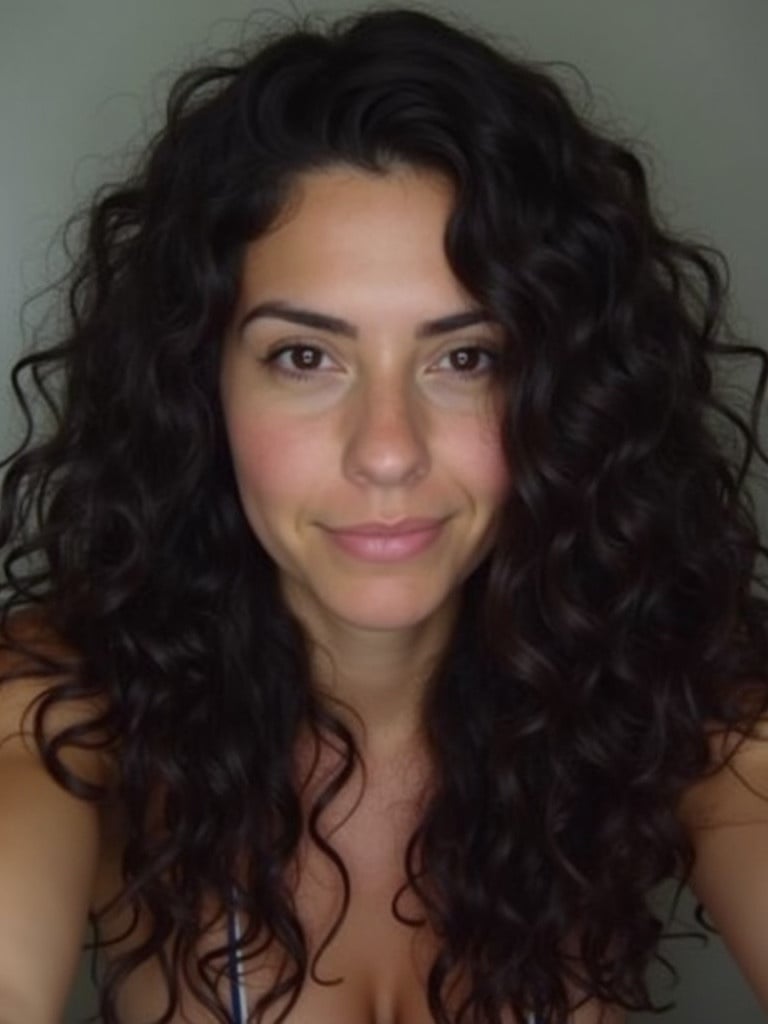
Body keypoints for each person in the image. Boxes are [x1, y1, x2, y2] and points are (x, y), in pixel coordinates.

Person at [0, 7, 767, 1023]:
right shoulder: (61, 711)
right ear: (202, 385)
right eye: (305, 356)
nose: (389, 449)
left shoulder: (683, 696)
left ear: (563, 391)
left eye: (467, 357)